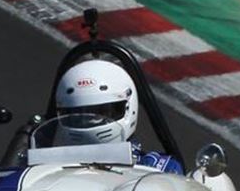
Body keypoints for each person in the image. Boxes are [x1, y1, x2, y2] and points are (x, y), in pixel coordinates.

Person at [53, 59, 184, 174]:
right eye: (77, 116)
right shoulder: (49, 166)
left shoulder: (156, 168)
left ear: (128, 108)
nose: (86, 121)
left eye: (99, 114)